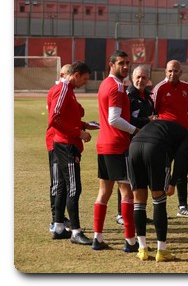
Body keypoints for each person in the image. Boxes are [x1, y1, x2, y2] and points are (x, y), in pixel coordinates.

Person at [128, 119, 188, 262]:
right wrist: (173, 183)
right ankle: (162, 250)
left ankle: (142, 248)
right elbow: (181, 158)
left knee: (139, 199)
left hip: (133, 146)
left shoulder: (169, 127)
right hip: (155, 148)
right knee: (158, 198)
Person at [92, 50, 139, 252]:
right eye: (121, 63)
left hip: (103, 144)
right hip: (117, 145)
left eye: (128, 62)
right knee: (127, 192)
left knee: (104, 192)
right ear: (111, 65)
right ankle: (130, 240)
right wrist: (135, 130)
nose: (126, 66)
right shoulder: (117, 87)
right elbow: (114, 119)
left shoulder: (104, 84)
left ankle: (97, 237)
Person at [48, 61, 94, 245]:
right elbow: (55, 118)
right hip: (67, 145)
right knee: (74, 188)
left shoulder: (68, 91)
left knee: (62, 187)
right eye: (84, 79)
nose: (85, 83)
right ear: (76, 75)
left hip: (63, 142)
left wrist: (84, 125)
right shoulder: (64, 89)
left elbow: (67, 117)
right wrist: (78, 133)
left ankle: (59, 227)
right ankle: (75, 232)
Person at [152, 60, 188, 218]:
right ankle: (161, 206)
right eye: (170, 71)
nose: (173, 74)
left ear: (181, 72)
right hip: (165, 136)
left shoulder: (186, 88)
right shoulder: (159, 88)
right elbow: (154, 112)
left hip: (183, 135)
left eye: (176, 71)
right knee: (164, 170)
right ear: (165, 71)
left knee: (182, 170)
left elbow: (184, 110)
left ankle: (183, 206)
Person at [115, 65, 158, 226]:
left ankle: (139, 212)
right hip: (130, 144)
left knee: (140, 179)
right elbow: (125, 121)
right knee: (126, 180)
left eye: (144, 77)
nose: (141, 80)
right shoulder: (128, 97)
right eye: (138, 77)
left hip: (145, 145)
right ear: (132, 78)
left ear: (148, 80)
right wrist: (148, 120)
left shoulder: (147, 96)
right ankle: (121, 213)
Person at [46, 63, 72, 232]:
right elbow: (54, 117)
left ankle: (59, 218)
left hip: (60, 139)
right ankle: (56, 219)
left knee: (62, 181)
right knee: (57, 181)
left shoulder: (65, 90)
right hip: (55, 140)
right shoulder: (59, 89)